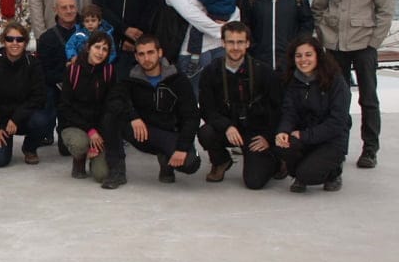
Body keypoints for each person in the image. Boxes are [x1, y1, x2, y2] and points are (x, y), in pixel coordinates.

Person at [311, 0, 394, 169]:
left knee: (368, 99)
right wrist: (324, 36)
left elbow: (385, 9)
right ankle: (338, 146)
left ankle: (370, 149)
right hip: (335, 46)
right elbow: (318, 7)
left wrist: (373, 42)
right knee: (337, 99)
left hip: (364, 44)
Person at [101, 35, 201, 189]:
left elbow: (192, 116)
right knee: (111, 116)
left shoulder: (177, 79)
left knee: (190, 163)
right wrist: (133, 116)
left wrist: (182, 148)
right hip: (142, 132)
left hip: (169, 132)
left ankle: (166, 159)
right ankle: (116, 170)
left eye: (150, 52)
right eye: (141, 54)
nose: (146, 58)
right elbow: (114, 99)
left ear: (159, 53)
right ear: (136, 57)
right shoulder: (130, 77)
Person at [196, 22, 283, 188]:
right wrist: (226, 126)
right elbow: (207, 109)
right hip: (227, 129)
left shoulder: (263, 72)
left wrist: (268, 137)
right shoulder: (211, 71)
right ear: (223, 43)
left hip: (255, 132)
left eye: (240, 42)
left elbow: (277, 108)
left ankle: (276, 161)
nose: (235, 47)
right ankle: (221, 161)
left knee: (254, 182)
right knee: (205, 132)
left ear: (247, 43)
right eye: (231, 42)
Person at [275, 36, 352, 192]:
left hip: (331, 139)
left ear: (318, 55)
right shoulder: (292, 80)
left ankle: (333, 172)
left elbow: (337, 122)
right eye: (298, 55)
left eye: (308, 54)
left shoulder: (335, 81)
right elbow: (289, 111)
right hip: (305, 136)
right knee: (283, 146)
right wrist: (283, 131)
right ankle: (301, 172)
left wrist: (304, 135)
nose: (303, 60)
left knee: (307, 174)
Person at [161, 0, 236, 95]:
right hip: (192, 50)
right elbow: (189, 12)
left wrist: (232, 25)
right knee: (195, 97)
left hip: (218, 46)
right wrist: (219, 30)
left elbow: (230, 2)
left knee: (221, 95)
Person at [0, 21, 48, 167]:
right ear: (4, 41)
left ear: (25, 42)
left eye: (19, 39)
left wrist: (16, 118)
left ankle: (30, 148)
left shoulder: (33, 64)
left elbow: (39, 96)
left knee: (43, 119)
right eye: (10, 39)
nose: (15, 43)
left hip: (21, 118)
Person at [59, 31, 116, 181]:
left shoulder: (109, 71)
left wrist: (100, 132)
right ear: (88, 47)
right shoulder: (73, 70)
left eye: (105, 49)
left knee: (101, 175)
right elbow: (65, 107)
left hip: (98, 128)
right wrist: (90, 131)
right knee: (80, 144)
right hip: (75, 124)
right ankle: (79, 158)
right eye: (97, 47)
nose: (100, 52)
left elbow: (110, 106)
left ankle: (94, 157)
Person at [36, 0, 79, 151]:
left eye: (72, 6)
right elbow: (43, 73)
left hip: (83, 88)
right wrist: (67, 73)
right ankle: (46, 128)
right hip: (56, 88)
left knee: (67, 149)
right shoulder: (47, 38)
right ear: (55, 9)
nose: (69, 11)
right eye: (64, 7)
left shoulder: (88, 33)